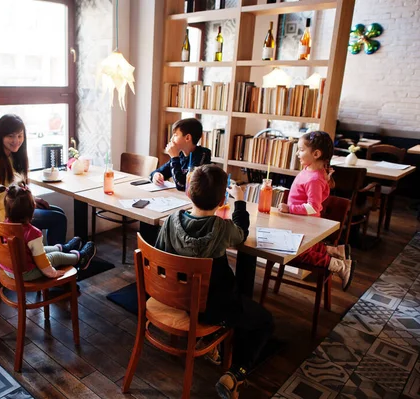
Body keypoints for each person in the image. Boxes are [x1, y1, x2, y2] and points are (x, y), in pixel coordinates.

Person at [155, 164, 274, 399]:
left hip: (176, 302)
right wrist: (239, 203)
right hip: (214, 310)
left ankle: (211, 342)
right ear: (222, 201)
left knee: (235, 306)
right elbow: (242, 232)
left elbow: (160, 258)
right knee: (265, 321)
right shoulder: (222, 228)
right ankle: (235, 374)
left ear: (188, 193)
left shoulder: (169, 222)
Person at [278, 131, 355, 290]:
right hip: (298, 222)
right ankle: (335, 250)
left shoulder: (314, 178)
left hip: (305, 223)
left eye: (301, 149)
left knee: (299, 253)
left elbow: (313, 207)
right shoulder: (310, 171)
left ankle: (339, 266)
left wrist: (289, 208)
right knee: (302, 248)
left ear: (316, 153)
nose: (297, 153)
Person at [0, 114, 67, 245]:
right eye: (10, 136)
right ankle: (55, 258)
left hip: (15, 209)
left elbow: (13, 189)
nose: (16, 140)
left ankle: (54, 255)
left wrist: (33, 199)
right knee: (58, 219)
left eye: (19, 136)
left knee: (58, 212)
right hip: (10, 218)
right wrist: (4, 233)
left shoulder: (8, 156)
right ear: (0, 136)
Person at [0, 183, 96, 280]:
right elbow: (42, 262)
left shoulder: (5, 225)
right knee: (55, 257)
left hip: (9, 269)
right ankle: (80, 258)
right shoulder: (33, 233)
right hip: (26, 273)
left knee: (43, 249)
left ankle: (63, 248)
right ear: (32, 209)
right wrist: (53, 273)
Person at [150, 118, 211, 191]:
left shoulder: (202, 155)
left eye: (175, 135)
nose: (171, 139)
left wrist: (174, 158)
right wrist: (156, 176)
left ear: (187, 138)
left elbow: (183, 185)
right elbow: (155, 173)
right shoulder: (181, 155)